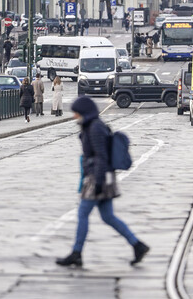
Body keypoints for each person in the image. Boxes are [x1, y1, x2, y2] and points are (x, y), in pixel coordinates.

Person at [56, 96, 149, 268]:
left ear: (84, 112)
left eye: (76, 113)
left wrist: (97, 182)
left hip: (98, 177)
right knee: (108, 216)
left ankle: (77, 253)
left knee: (83, 213)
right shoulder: (92, 125)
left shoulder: (94, 128)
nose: (74, 116)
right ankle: (137, 245)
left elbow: (101, 156)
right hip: (102, 176)